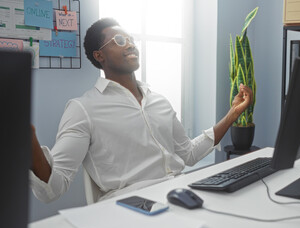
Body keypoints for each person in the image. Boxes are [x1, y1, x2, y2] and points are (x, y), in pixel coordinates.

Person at [30, 18, 253, 202]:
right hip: (130, 206)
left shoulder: (159, 102)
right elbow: (52, 189)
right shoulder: (83, 108)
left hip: (179, 194)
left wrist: (233, 113)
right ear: (100, 56)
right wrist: (28, 142)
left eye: (131, 39)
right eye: (119, 40)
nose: (130, 44)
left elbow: (189, 155)